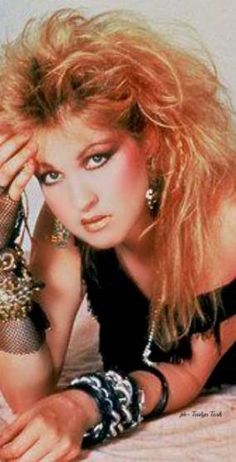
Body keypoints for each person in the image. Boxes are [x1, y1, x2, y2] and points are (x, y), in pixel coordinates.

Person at [0, 8, 235, 461]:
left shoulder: (221, 214)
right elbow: (30, 398)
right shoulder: (63, 230)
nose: (79, 200)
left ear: (151, 136)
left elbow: (186, 369)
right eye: (51, 175)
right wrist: (2, 254)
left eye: (95, 159)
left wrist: (86, 404)